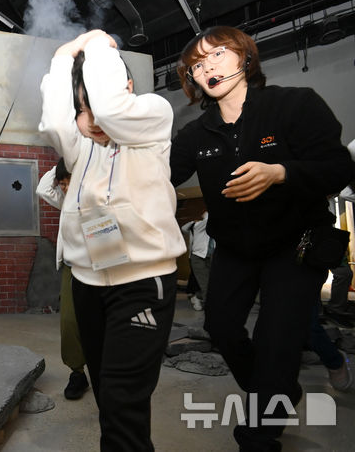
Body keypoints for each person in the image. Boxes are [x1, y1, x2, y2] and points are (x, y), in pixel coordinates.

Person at [170, 25, 353, 451]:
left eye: (217, 54)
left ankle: (257, 436)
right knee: (220, 327)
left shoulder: (294, 105)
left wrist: (281, 172)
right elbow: (161, 178)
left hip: (294, 245)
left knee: (276, 342)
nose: (206, 68)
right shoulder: (196, 134)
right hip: (236, 249)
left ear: (245, 57)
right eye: (196, 65)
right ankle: (278, 392)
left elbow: (339, 168)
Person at [39, 29, 186, 451]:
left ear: (127, 87)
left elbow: (111, 109)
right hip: (89, 283)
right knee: (108, 396)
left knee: (123, 403)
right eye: (81, 111)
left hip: (141, 283)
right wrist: (64, 55)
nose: (92, 120)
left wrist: (97, 44)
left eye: (95, 104)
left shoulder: (152, 117)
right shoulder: (80, 148)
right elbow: (55, 123)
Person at [36, 157, 90, 400]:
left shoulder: (102, 199)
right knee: (69, 322)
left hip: (99, 269)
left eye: (70, 182)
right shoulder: (66, 201)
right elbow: (43, 188)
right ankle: (77, 372)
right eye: (63, 183)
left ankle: (106, 371)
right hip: (71, 268)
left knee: (100, 323)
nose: (66, 188)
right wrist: (67, 159)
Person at [181, 211, 213, 311]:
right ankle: (211, 308)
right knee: (204, 283)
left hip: (209, 257)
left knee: (210, 283)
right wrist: (193, 222)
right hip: (198, 257)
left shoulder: (211, 229)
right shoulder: (198, 225)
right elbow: (184, 228)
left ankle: (197, 297)